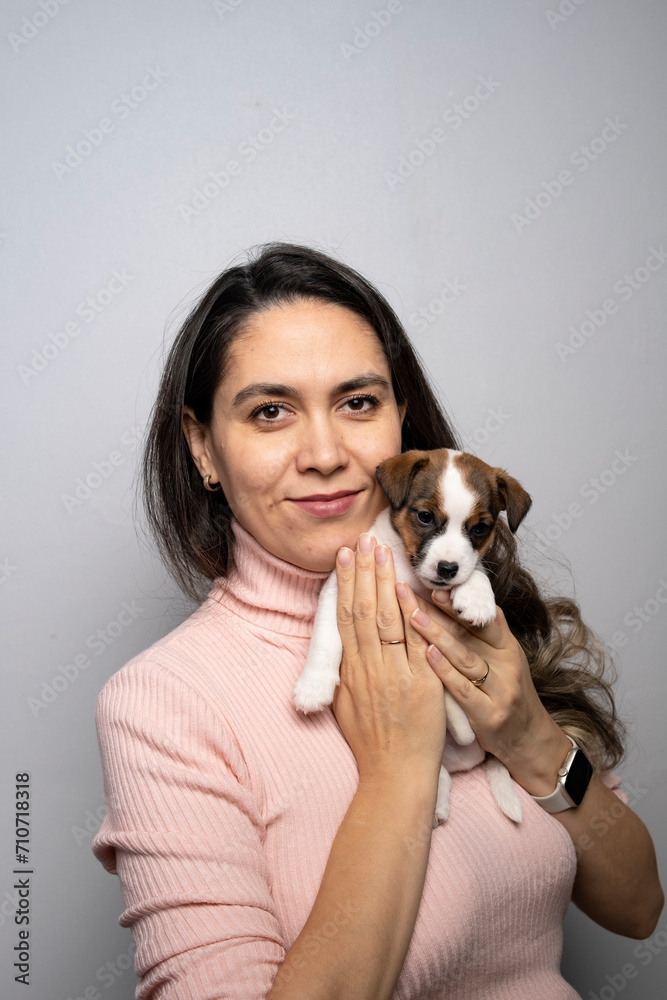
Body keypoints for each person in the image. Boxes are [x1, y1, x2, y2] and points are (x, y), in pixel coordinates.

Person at [91, 242, 663, 999]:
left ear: (401, 421)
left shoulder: (470, 617)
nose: (325, 453)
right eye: (270, 412)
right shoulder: (164, 704)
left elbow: (637, 907)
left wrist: (527, 734)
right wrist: (398, 771)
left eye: (358, 402)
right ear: (203, 448)